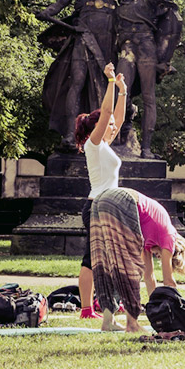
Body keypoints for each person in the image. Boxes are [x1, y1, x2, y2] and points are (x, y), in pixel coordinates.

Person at [37, 0, 119, 151]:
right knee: (78, 81)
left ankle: (99, 132)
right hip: (83, 38)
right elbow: (61, 2)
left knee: (104, 85)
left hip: (106, 44)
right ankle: (70, 133)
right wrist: (48, 12)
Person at [90, 187, 185, 332]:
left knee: (106, 264)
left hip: (101, 199)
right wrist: (177, 311)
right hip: (123, 200)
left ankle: (108, 321)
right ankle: (132, 324)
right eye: (164, 257)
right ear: (174, 250)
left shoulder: (148, 237)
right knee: (129, 268)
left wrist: (156, 310)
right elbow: (168, 281)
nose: (160, 257)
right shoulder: (169, 235)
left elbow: (149, 277)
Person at [73, 63, 127, 320]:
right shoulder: (93, 145)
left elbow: (118, 116)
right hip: (96, 206)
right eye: (109, 124)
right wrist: (109, 82)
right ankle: (86, 309)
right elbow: (107, 111)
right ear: (98, 126)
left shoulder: (104, 145)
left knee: (108, 259)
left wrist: (123, 92)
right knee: (90, 259)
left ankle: (106, 303)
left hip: (108, 208)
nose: (114, 126)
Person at [114, 0, 181, 158]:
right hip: (126, 48)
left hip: (146, 47)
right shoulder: (117, 5)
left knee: (148, 97)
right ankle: (115, 140)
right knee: (120, 93)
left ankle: (146, 148)